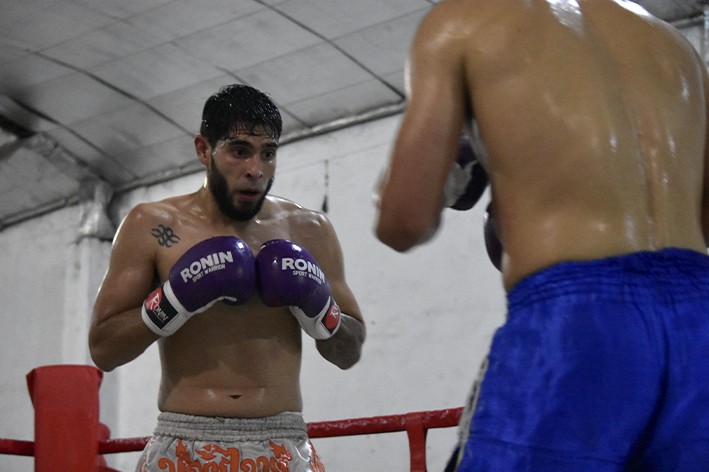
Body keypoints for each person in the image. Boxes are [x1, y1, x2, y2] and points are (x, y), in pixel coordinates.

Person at [375, 0, 709, 470]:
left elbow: (404, 222)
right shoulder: (675, 45)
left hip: (579, 321)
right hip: (699, 318)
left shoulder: (460, 23)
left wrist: (438, 174)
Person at [89, 84, 365, 472]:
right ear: (204, 149)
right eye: (239, 151)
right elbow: (104, 350)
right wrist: (173, 300)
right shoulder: (152, 226)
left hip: (282, 445)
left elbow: (349, 352)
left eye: (268, 153)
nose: (256, 169)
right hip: (185, 442)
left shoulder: (308, 230)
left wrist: (322, 311)